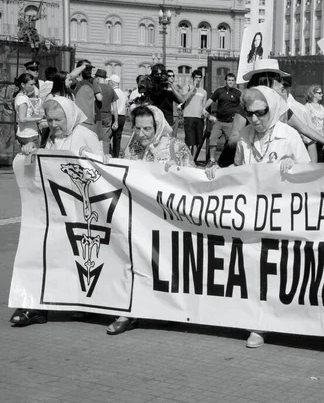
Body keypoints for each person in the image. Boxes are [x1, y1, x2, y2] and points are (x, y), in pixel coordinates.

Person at [205, 86, 310, 347]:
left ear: (271, 109)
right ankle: (259, 325)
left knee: (283, 270)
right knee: (256, 270)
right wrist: (219, 171)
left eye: (260, 113)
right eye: (249, 114)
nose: (254, 119)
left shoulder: (289, 136)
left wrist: (295, 167)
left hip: (284, 216)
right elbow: (240, 171)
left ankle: (291, 318)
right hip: (254, 216)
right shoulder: (244, 138)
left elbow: (311, 175)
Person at [9, 97, 103, 327]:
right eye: (49, 119)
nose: (53, 124)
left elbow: (102, 171)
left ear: (69, 116)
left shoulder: (84, 135)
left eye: (58, 119)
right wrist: (32, 152)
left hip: (80, 212)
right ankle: (35, 306)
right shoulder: (51, 136)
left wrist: (88, 158)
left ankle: (71, 305)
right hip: (56, 209)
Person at [106, 105, 195, 336]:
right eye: (138, 128)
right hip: (140, 219)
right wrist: (107, 162)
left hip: (169, 221)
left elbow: (193, 181)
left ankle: (168, 309)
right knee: (135, 263)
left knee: (167, 266)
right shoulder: (133, 147)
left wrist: (174, 173)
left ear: (157, 125)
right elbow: (123, 175)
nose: (142, 133)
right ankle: (128, 312)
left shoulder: (176, 146)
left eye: (147, 128)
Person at [203, 72, 242, 167]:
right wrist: (204, 108)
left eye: (232, 80)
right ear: (226, 81)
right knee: (212, 139)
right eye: (229, 80)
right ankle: (212, 160)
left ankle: (229, 162)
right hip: (219, 122)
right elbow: (211, 100)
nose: (231, 82)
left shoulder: (238, 93)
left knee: (231, 144)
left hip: (230, 123)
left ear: (235, 82)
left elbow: (242, 105)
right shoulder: (219, 91)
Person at [181, 69, 207, 163]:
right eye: (196, 77)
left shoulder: (203, 92)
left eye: (200, 78)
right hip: (188, 116)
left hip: (199, 118)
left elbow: (203, 106)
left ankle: (193, 160)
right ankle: (186, 159)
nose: (198, 79)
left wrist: (205, 114)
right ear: (192, 78)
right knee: (189, 141)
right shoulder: (186, 87)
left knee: (197, 141)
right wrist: (193, 88)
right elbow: (184, 98)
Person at [71, 59, 102, 133]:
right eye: (86, 68)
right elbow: (71, 75)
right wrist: (83, 67)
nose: (89, 70)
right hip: (78, 122)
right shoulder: (75, 81)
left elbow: (99, 97)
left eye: (90, 68)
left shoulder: (92, 82)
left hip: (90, 121)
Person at [13, 73, 43, 146]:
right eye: (31, 85)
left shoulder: (24, 97)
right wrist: (39, 118)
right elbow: (22, 118)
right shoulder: (22, 98)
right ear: (23, 84)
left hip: (28, 133)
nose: (33, 87)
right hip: (28, 135)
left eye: (34, 84)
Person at [95, 69, 119, 154]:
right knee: (106, 140)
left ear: (97, 78)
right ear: (104, 78)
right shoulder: (110, 88)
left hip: (96, 115)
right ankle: (105, 156)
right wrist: (116, 121)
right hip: (108, 116)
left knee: (94, 138)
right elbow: (115, 107)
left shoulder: (95, 86)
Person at [108, 75, 128, 158]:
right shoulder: (123, 93)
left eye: (109, 81)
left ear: (112, 82)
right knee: (117, 138)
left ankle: (109, 153)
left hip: (114, 116)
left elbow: (112, 106)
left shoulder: (112, 92)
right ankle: (116, 156)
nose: (108, 83)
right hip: (122, 117)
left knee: (107, 137)